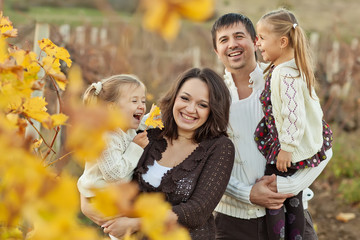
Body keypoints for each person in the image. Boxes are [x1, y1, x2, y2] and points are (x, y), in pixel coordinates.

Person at [211, 13, 333, 240]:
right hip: (231, 223)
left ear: (255, 41)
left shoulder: (285, 80)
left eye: (239, 36)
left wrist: (289, 185)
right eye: (223, 40)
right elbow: (206, 162)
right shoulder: (211, 98)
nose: (233, 44)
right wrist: (247, 194)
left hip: (289, 215)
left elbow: (321, 145)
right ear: (216, 52)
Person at [254, 9, 333, 240]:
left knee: (276, 199)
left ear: (282, 41)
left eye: (261, 37)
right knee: (294, 199)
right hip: (288, 146)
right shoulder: (291, 69)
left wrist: (286, 148)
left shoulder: (284, 75)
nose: (257, 43)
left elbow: (293, 114)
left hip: (286, 150)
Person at [133, 67, 235, 240]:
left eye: (202, 105)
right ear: (174, 98)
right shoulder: (149, 133)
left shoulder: (219, 147)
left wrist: (136, 223)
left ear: (213, 110)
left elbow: (197, 211)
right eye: (185, 98)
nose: (190, 109)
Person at [77, 74, 149, 240]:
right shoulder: (105, 135)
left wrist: (155, 118)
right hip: (100, 195)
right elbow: (114, 173)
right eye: (134, 101)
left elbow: (143, 123)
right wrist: (136, 148)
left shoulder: (125, 126)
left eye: (143, 101)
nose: (141, 106)